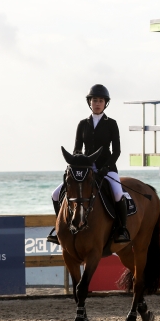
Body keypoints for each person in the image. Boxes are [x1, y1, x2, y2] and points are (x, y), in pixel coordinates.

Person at [48, 84, 130, 245]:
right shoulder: (82, 124)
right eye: (94, 100)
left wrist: (105, 168)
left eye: (100, 100)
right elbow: (77, 150)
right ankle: (60, 229)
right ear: (90, 103)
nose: (97, 103)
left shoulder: (111, 124)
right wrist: (73, 166)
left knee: (118, 194)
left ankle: (121, 229)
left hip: (107, 168)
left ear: (105, 103)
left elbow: (117, 151)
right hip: (85, 170)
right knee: (55, 194)